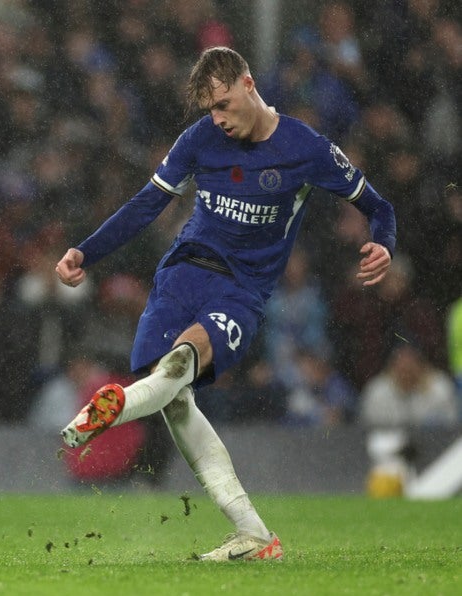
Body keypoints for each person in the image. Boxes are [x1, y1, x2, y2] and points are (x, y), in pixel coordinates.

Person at [55, 47, 395, 562]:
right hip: (182, 273)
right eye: (210, 110)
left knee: (178, 368)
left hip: (241, 288)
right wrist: (86, 250)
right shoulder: (201, 139)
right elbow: (148, 203)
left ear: (248, 83)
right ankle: (254, 534)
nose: (219, 119)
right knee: (172, 397)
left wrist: (383, 241)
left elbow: (378, 206)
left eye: (224, 104)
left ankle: (118, 405)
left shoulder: (306, 147)